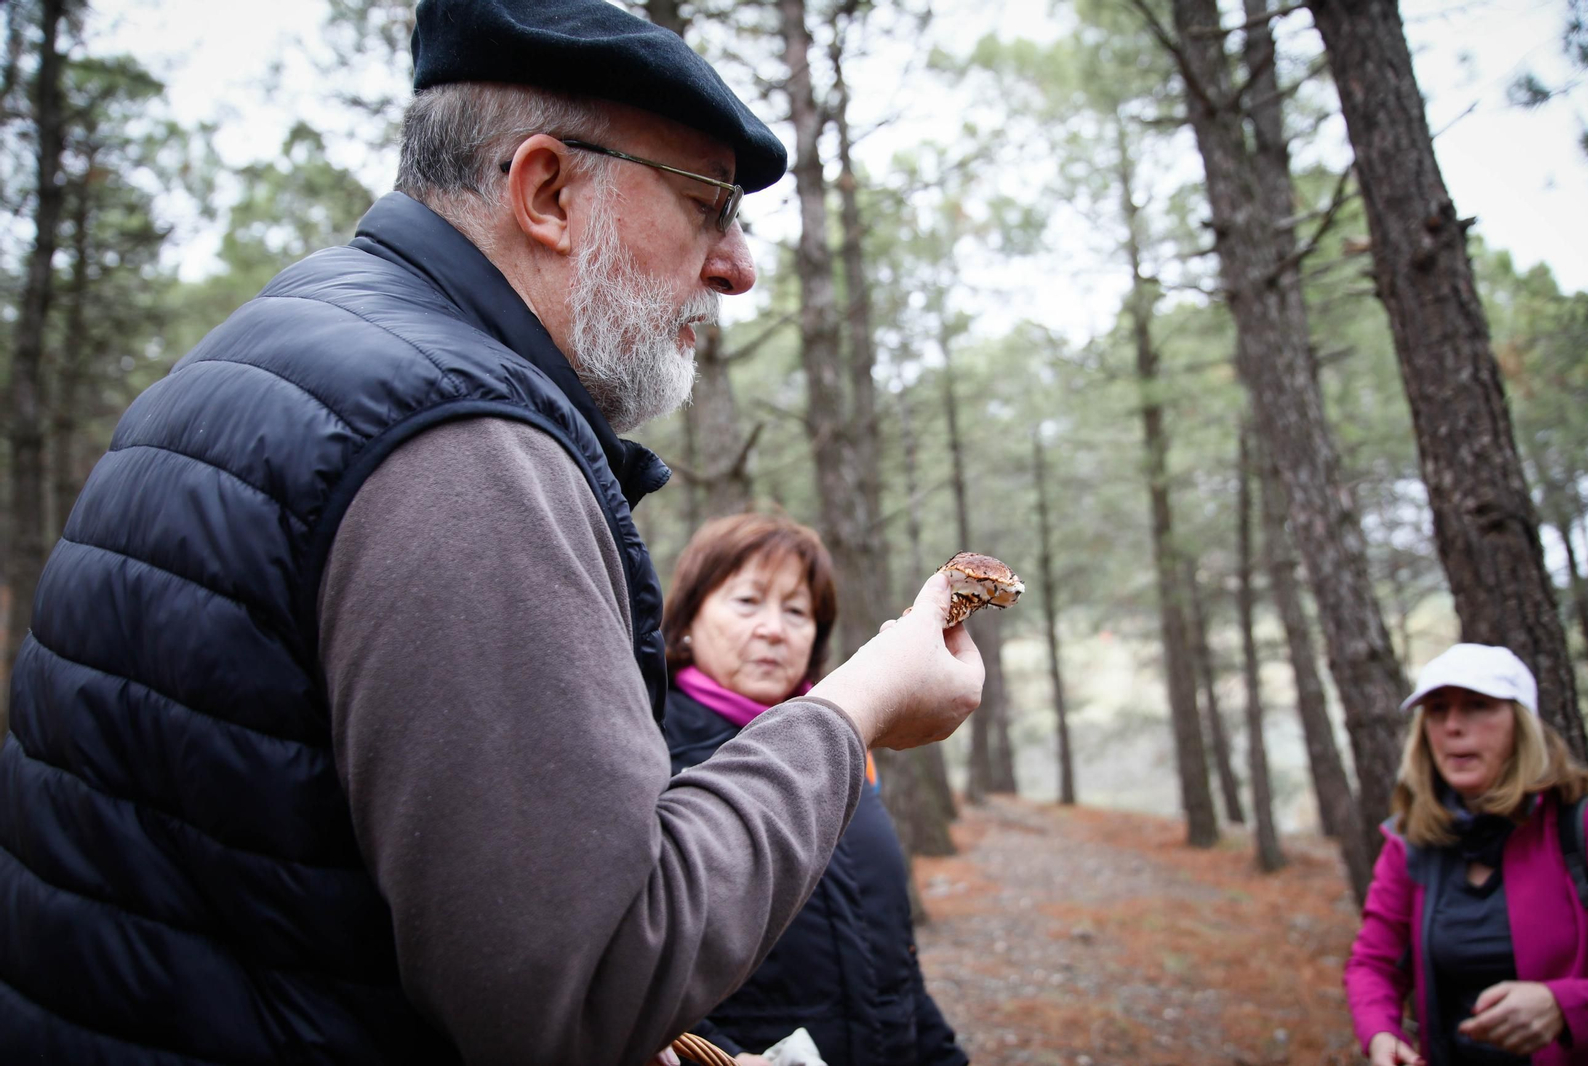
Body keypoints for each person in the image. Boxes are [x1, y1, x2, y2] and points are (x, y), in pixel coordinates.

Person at [0, 3, 984, 1064]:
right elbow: (584, 988)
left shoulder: (282, 353)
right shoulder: (459, 444)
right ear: (548, 191)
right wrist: (857, 704)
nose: (737, 266)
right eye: (707, 204)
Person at [659, 513, 968, 1066]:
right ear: (688, 617)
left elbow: (893, 960)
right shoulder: (649, 750)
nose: (774, 629)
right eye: (748, 601)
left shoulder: (848, 748)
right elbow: (631, 958)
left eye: (797, 610)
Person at [1345, 643, 1588, 1066]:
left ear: (1521, 723)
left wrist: (1566, 1005)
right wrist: (1381, 1034)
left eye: (1478, 706)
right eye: (1438, 711)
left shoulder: (1584, 823)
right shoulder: (1413, 841)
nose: (1453, 727)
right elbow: (1373, 964)